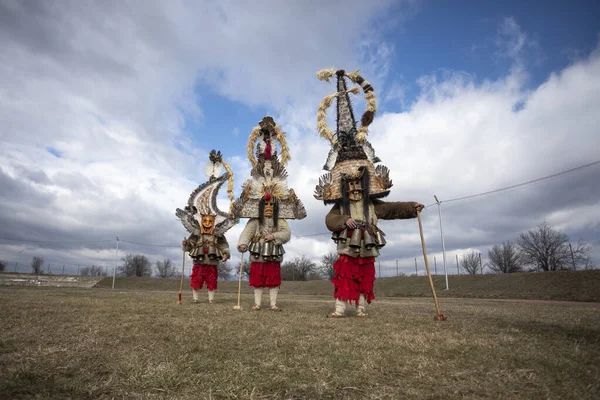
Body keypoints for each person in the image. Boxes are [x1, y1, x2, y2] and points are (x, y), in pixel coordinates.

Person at [313, 69, 424, 318]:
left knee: (364, 275)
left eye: (357, 186)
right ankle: (340, 308)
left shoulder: (373, 205)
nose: (353, 190)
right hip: (347, 245)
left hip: (368, 242)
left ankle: (362, 307)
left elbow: (391, 209)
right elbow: (330, 221)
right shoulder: (340, 207)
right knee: (344, 274)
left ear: (363, 185)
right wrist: (344, 221)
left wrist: (411, 208)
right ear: (344, 187)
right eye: (349, 186)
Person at [232, 116, 306, 311]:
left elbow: (286, 232)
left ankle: (273, 304)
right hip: (257, 253)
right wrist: (242, 242)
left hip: (272, 252)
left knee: (273, 279)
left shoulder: (279, 219)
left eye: (271, 204)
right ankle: (257, 304)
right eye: (265, 204)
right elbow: (248, 230)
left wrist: (274, 236)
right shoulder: (255, 219)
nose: (267, 206)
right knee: (257, 278)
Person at [176, 150, 238, 304]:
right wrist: (185, 245)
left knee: (211, 279)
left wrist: (225, 253)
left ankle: (211, 299)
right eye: (205, 221)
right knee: (196, 278)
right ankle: (195, 298)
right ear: (201, 220)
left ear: (214, 221)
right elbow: (190, 245)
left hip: (212, 261)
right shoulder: (196, 232)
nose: (208, 223)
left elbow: (224, 245)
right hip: (198, 260)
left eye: (211, 221)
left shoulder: (218, 233)